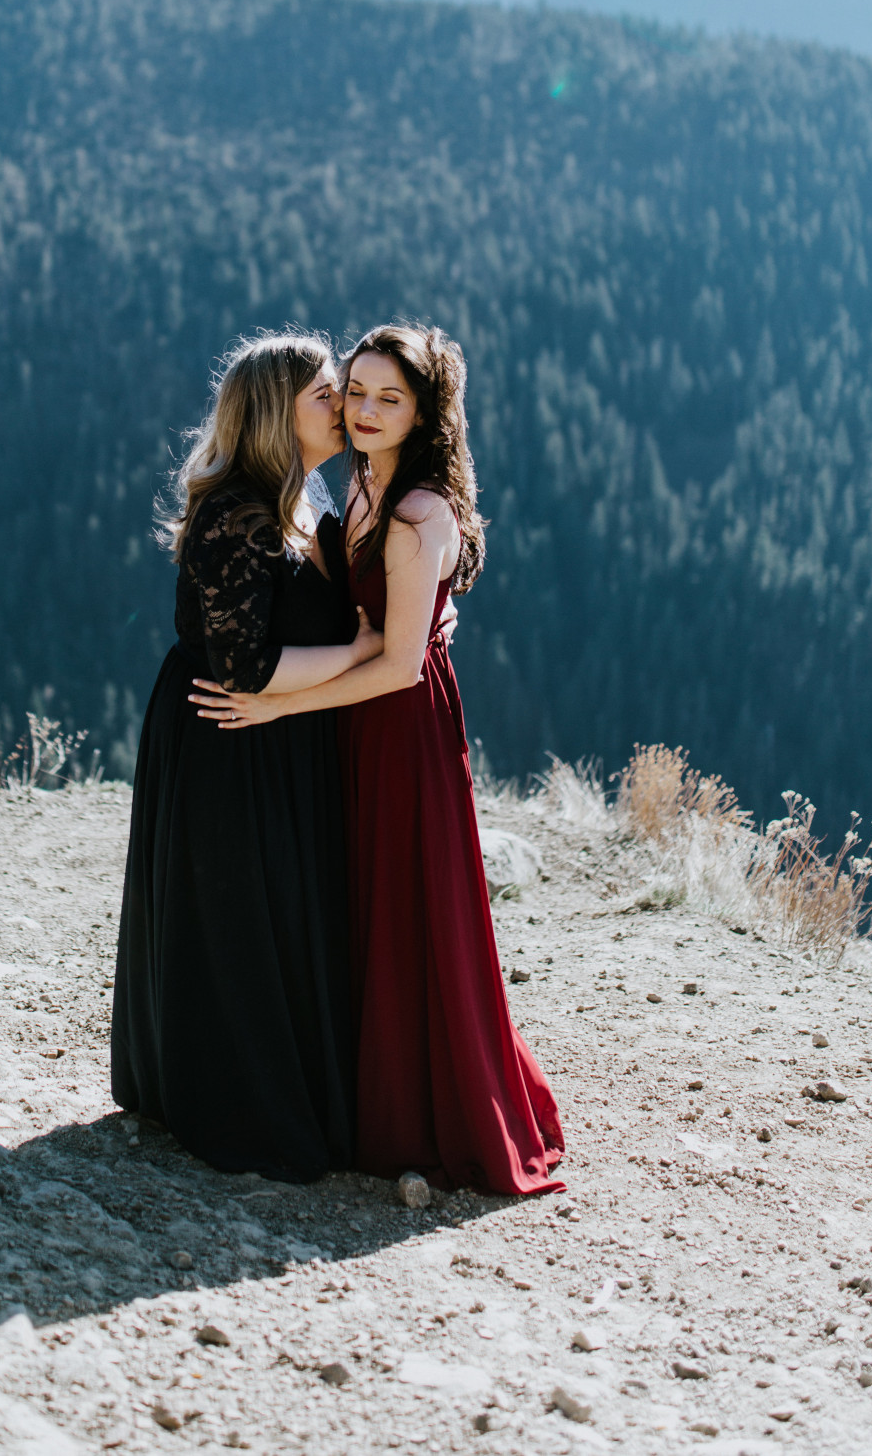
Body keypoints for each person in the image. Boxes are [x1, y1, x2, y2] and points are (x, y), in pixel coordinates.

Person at [192, 321, 565, 1196]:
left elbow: (397, 666)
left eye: (387, 397)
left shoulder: (417, 510)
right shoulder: (359, 482)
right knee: (359, 905)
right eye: (353, 390)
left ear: (426, 410)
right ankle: (362, 1094)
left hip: (398, 728)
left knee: (410, 909)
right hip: (352, 722)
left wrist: (274, 701)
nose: (362, 409)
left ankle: (432, 1111)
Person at [111, 332, 383, 1181]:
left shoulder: (303, 503)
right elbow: (248, 668)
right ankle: (234, 1098)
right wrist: (358, 653)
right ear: (275, 412)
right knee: (239, 920)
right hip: (228, 741)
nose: (342, 407)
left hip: (274, 738)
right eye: (325, 395)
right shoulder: (238, 512)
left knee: (274, 915)